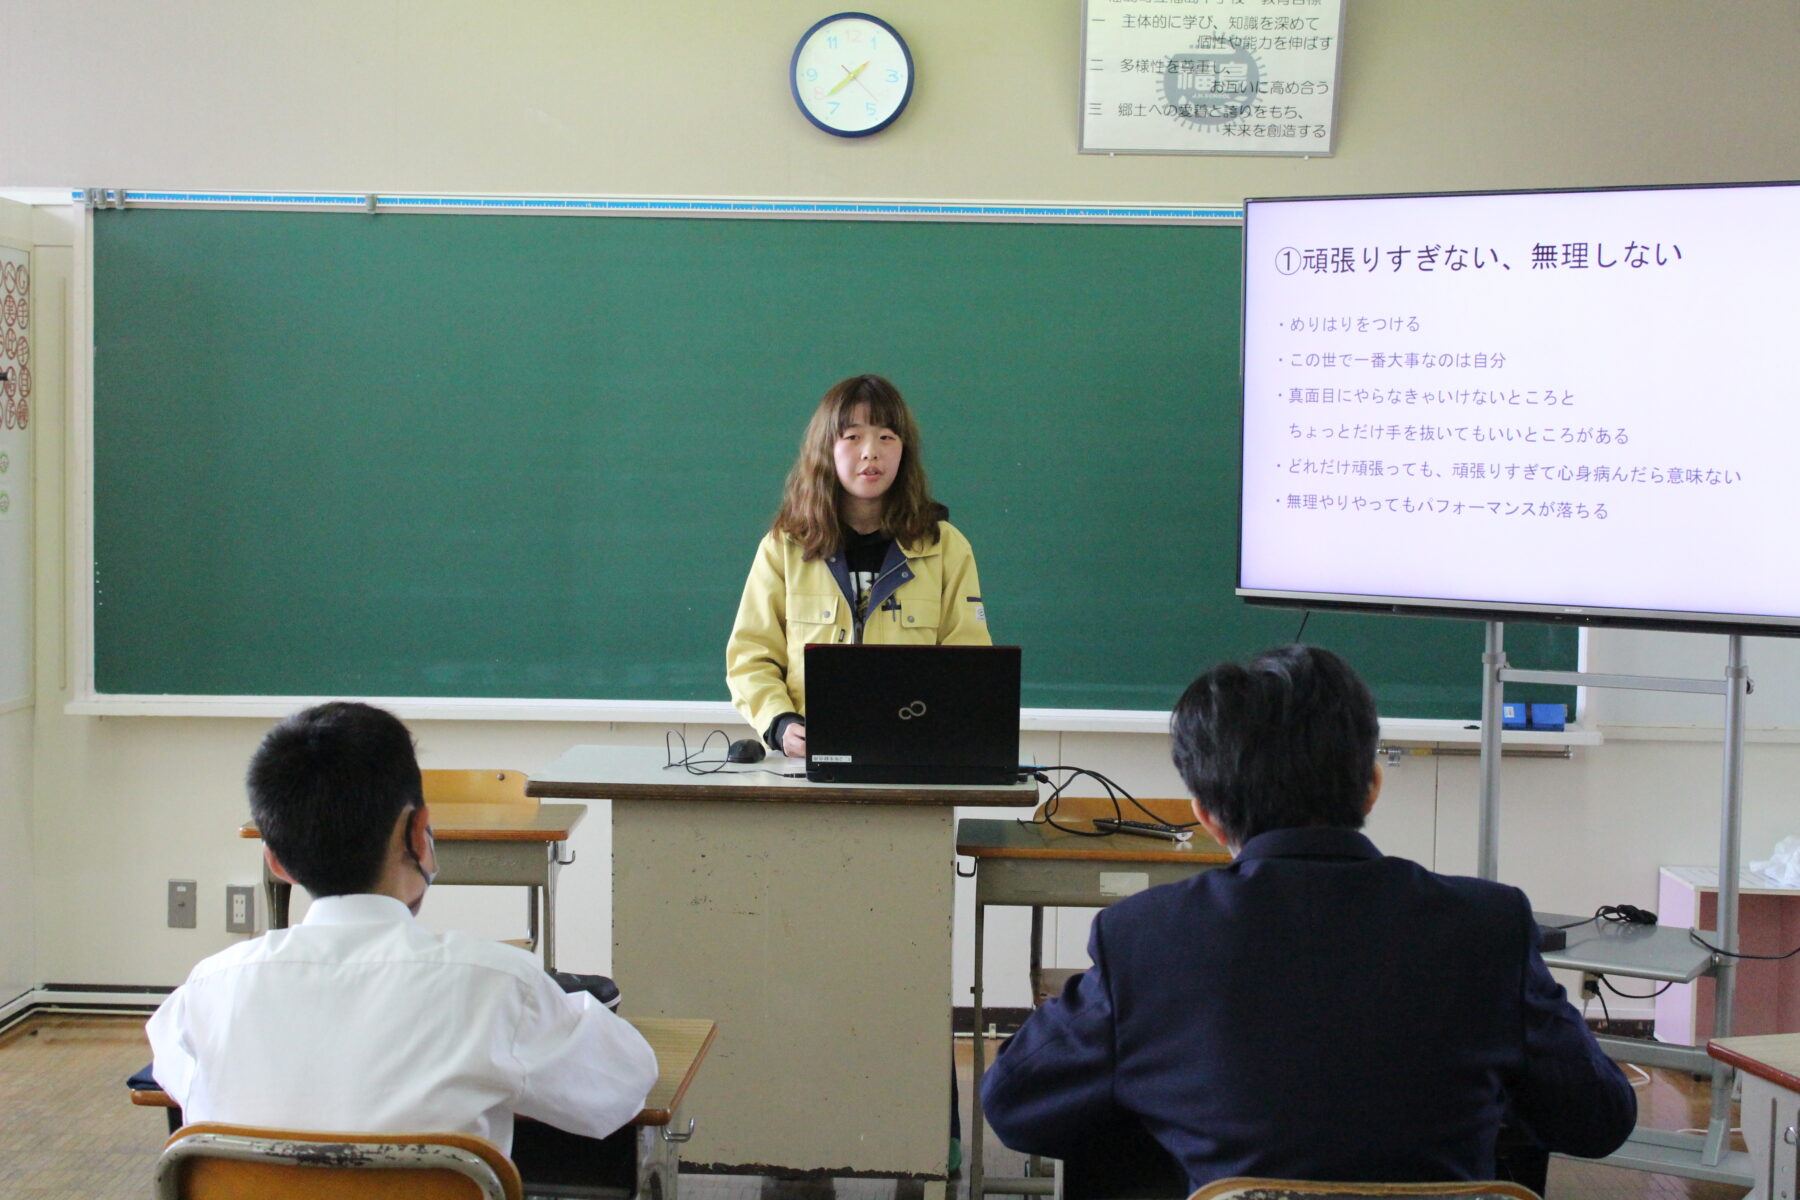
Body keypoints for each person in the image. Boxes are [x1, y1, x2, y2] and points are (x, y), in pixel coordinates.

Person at [980, 645, 1637, 1193]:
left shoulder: (1146, 937)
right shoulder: (1491, 925)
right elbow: (1599, 1120)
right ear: (1372, 784)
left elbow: (1016, 1108)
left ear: (1206, 817)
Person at [145, 701, 658, 1155]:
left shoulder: (206, 992)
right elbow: (624, 1086)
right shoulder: (498, 987)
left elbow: (174, 1073)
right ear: (419, 830)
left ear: (276, 861)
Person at [727, 373, 990, 756]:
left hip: (914, 755)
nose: (871, 452)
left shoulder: (945, 547)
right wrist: (779, 722)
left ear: (905, 451)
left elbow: (971, 665)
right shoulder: (785, 546)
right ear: (825, 448)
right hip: (811, 758)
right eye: (853, 437)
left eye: (887, 437)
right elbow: (751, 655)